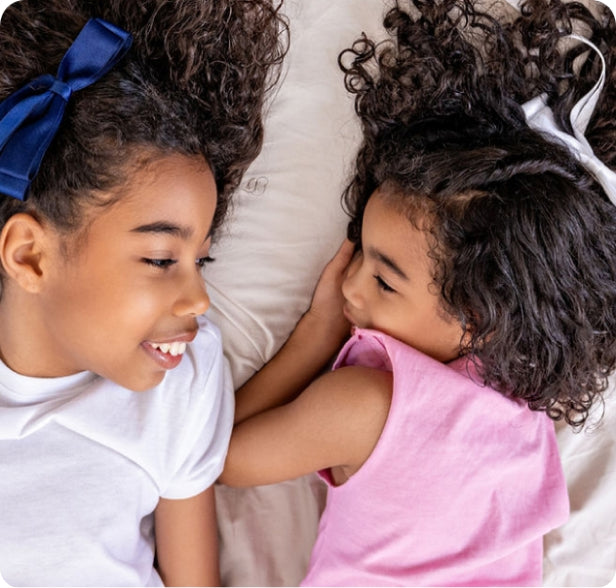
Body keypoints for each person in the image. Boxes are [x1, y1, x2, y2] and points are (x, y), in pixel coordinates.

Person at [220, 0, 616, 585]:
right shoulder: (525, 417)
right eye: (361, 249)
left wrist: (316, 333)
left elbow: (221, 462)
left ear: (479, 317)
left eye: (382, 279)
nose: (348, 284)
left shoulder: (365, 403)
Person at [0, 0, 286, 585]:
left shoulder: (177, 389)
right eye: (161, 259)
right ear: (29, 255)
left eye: (200, 260)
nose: (199, 299)